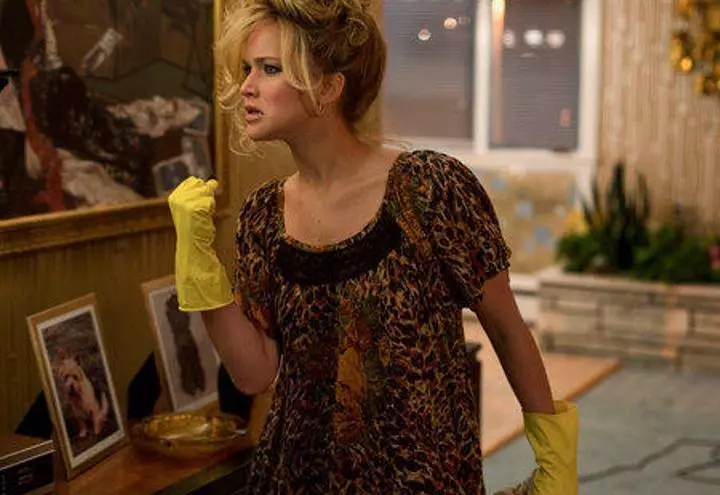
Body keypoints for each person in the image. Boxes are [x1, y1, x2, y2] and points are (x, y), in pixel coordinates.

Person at [167, 0, 578, 492]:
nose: (246, 87)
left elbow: (507, 328)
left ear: (328, 87)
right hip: (297, 479)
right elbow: (254, 374)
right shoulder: (262, 218)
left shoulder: (429, 189)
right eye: (246, 69)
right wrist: (198, 265)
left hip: (421, 479)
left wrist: (555, 456)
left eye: (270, 69)